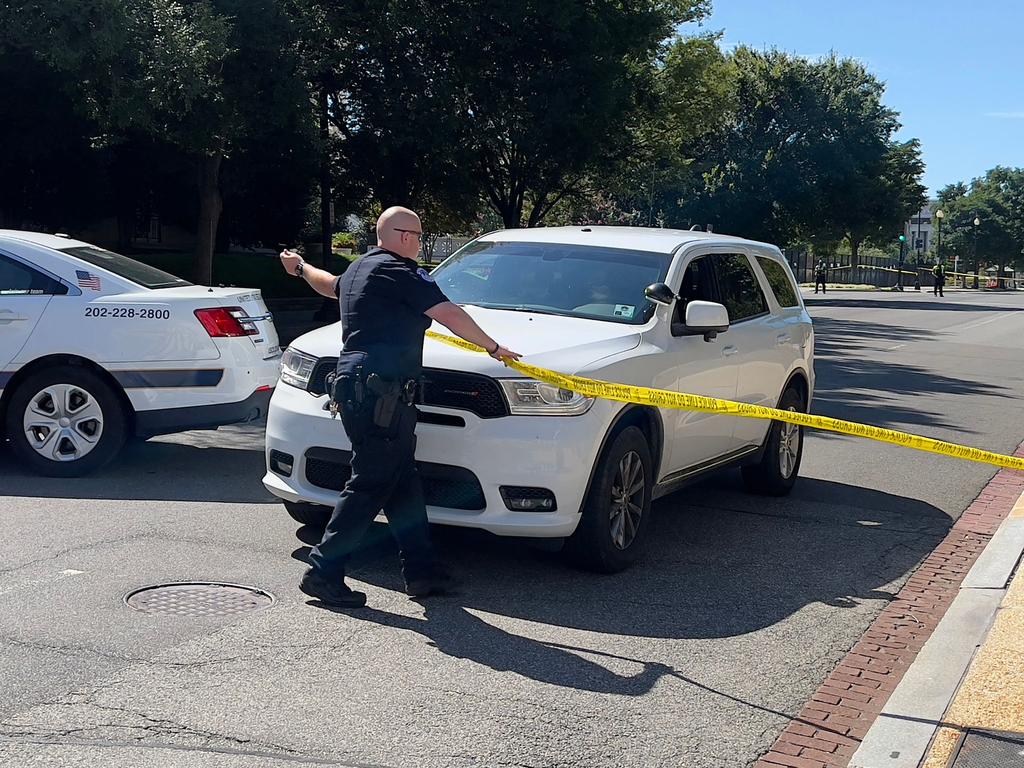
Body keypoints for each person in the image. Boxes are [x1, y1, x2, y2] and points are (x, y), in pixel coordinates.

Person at [279, 206, 520, 609]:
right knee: (371, 481)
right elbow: (448, 312)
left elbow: (328, 285)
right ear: (405, 236)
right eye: (420, 237)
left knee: (402, 481)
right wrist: (493, 347)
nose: (421, 243)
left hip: (364, 389)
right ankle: (323, 572)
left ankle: (423, 572)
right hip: (380, 394)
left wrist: (300, 267)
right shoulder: (400, 272)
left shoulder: (361, 269)